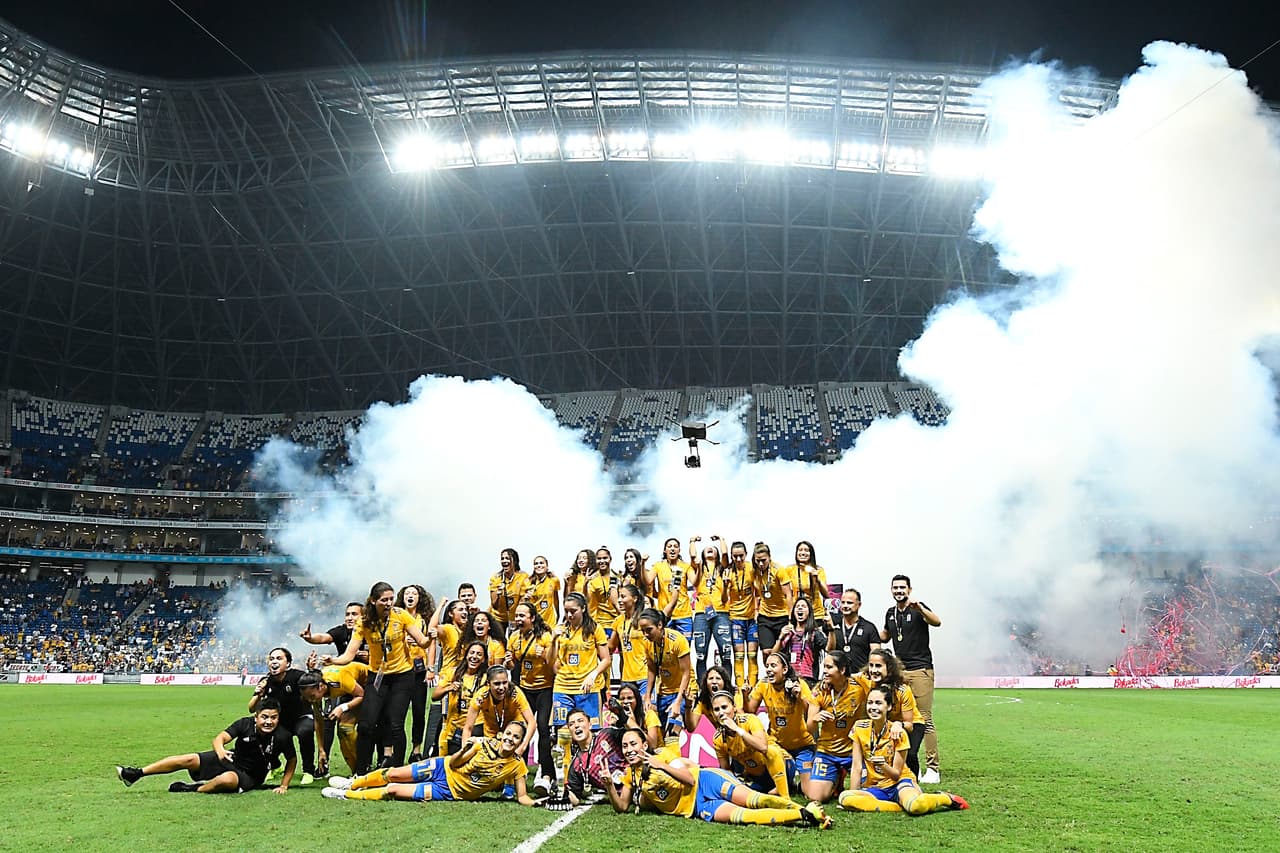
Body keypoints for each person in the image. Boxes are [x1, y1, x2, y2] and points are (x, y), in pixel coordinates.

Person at [604, 728, 831, 828]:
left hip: (706, 781)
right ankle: (804, 815)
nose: (629, 750)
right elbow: (622, 807)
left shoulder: (663, 754)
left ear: (644, 745)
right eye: (625, 746)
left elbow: (689, 779)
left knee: (754, 800)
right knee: (744, 817)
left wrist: (660, 765)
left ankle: (807, 808)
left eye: (633, 744)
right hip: (697, 807)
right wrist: (609, 787)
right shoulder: (630, 775)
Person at [323, 581, 434, 773]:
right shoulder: (364, 622)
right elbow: (349, 655)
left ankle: (397, 772)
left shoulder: (401, 615)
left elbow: (423, 642)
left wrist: (431, 637)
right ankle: (361, 772)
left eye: (391, 599)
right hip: (377, 677)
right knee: (366, 725)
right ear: (373, 601)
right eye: (384, 600)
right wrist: (333, 660)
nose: (389, 603)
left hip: (402, 676)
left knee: (396, 725)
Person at [322, 720, 540, 806]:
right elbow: (454, 764)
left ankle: (345, 795)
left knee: (393, 789)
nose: (511, 739)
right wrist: (464, 749)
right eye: (509, 734)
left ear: (521, 742)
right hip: (442, 767)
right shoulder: (482, 744)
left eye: (516, 737)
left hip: (448, 791)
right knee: (394, 774)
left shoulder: (516, 765)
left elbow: (522, 797)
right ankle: (354, 783)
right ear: (502, 734)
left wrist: (539, 802)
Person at [116, 699, 296, 794]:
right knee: (189, 759)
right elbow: (220, 738)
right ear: (256, 717)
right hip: (231, 758)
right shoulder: (244, 723)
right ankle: (136, 774)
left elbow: (292, 760)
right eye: (264, 717)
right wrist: (220, 751)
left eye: (273, 717)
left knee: (227, 780)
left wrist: (284, 785)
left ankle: (192, 788)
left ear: (278, 718)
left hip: (251, 775)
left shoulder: (283, 735)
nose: (269, 721)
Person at [837, 687, 968, 815]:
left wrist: (883, 765)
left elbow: (895, 774)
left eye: (878, 703)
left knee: (916, 806)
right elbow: (856, 767)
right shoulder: (859, 727)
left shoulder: (899, 733)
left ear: (889, 707)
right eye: (870, 703)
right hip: (877, 787)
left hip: (900, 782)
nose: (873, 707)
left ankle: (945, 798)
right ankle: (897, 806)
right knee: (845, 797)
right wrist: (853, 795)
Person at [880, 574, 942, 783]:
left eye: (902, 587)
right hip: (899, 672)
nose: (899, 591)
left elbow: (937, 622)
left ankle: (933, 768)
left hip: (920, 670)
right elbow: (885, 636)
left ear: (909, 589)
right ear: (891, 590)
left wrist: (921, 609)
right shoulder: (890, 613)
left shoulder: (917, 608)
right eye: (895, 588)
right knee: (900, 717)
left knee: (924, 718)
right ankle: (906, 763)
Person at [552, 591, 611, 781]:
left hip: (588, 689)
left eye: (573, 611)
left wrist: (593, 675)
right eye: (566, 611)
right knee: (563, 734)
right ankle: (565, 781)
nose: (569, 615)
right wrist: (553, 640)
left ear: (583, 609)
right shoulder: (561, 630)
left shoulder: (595, 629)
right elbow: (550, 662)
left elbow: (606, 659)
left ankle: (591, 777)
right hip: (563, 687)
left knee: (590, 735)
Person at [746, 651, 817, 792]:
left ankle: (798, 782)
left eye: (773, 665)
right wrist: (744, 695)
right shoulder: (763, 684)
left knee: (809, 792)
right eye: (767, 666)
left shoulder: (799, 684)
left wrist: (799, 697)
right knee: (773, 784)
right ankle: (787, 779)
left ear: (784, 669)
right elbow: (750, 711)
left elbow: (811, 712)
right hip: (777, 745)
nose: (769, 669)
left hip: (803, 745)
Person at [506, 601, 556, 794]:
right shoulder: (514, 637)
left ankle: (546, 772)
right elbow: (512, 666)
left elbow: (554, 665)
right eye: (516, 616)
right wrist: (509, 663)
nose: (518, 619)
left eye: (522, 616)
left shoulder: (545, 637)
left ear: (532, 618)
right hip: (525, 690)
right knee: (521, 728)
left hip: (545, 689)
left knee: (543, 728)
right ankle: (519, 770)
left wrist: (544, 654)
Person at [805, 650, 866, 803]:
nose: (824, 671)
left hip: (853, 752)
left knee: (868, 789)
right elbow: (809, 728)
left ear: (842, 669)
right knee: (816, 797)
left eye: (829, 667)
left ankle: (844, 772)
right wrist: (814, 719)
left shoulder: (859, 687)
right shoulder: (819, 691)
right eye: (824, 667)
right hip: (827, 751)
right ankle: (837, 776)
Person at [709, 690, 793, 798]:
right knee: (745, 793)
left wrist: (737, 729)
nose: (721, 713)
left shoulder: (750, 720)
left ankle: (785, 797)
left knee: (771, 751)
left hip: (783, 766)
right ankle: (771, 790)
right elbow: (726, 770)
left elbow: (763, 747)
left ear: (734, 707)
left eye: (724, 707)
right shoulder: (718, 739)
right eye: (716, 709)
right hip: (758, 777)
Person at [248, 647, 316, 781]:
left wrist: (311, 670)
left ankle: (308, 771)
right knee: (263, 729)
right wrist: (258, 694)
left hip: (302, 717)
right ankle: (275, 766)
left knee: (305, 731)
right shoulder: (266, 681)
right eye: (271, 659)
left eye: (279, 658)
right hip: (281, 720)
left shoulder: (297, 676)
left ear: (288, 663)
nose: (274, 661)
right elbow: (251, 709)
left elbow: (312, 685)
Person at [856, 649, 925, 775]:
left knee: (910, 754)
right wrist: (825, 684)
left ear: (889, 668)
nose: (873, 670)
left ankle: (913, 779)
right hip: (885, 723)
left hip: (911, 724)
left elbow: (909, 724)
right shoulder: (866, 680)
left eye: (878, 666)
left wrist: (898, 725)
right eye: (871, 665)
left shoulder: (902, 690)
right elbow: (843, 677)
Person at [301, 660, 368, 774]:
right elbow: (319, 721)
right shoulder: (314, 691)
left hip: (368, 684)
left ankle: (364, 766)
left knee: (347, 727)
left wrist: (342, 707)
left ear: (321, 686)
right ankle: (356, 772)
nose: (310, 700)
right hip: (350, 691)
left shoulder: (339, 679)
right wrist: (321, 750)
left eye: (312, 696)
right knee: (343, 730)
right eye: (307, 698)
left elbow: (361, 695)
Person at [396, 584, 437, 763]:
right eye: (407, 593)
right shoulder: (396, 616)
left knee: (419, 712)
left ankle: (416, 749)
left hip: (419, 671)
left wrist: (430, 668)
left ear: (420, 598)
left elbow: (431, 644)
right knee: (398, 712)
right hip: (400, 669)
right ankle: (395, 750)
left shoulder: (424, 619)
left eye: (414, 593)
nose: (410, 596)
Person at [462, 665, 536, 761]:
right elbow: (468, 728)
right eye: (497, 684)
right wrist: (464, 752)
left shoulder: (516, 693)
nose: (501, 687)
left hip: (513, 734)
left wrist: (523, 746)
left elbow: (532, 722)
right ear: (488, 684)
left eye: (504, 683)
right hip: (491, 734)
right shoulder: (480, 697)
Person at [638, 607, 691, 739]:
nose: (646, 634)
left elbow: (687, 673)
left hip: (683, 690)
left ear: (660, 625)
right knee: (661, 734)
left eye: (649, 630)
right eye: (643, 631)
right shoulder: (647, 643)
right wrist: (647, 696)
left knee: (672, 732)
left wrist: (678, 701)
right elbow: (651, 670)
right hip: (664, 691)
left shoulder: (677, 640)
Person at [690, 535, 734, 684]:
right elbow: (693, 557)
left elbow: (725, 554)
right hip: (701, 614)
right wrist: (692, 542)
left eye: (713, 549)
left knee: (725, 653)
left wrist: (721, 539)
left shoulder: (722, 568)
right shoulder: (698, 568)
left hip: (721, 613)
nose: (710, 549)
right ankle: (703, 687)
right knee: (701, 654)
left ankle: (726, 686)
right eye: (707, 549)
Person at [435, 641, 489, 755]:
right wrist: (448, 688)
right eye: (472, 653)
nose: (474, 656)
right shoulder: (453, 673)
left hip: (475, 728)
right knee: (448, 762)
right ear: (466, 655)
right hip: (453, 728)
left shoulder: (487, 678)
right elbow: (435, 696)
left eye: (479, 654)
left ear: (484, 659)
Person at [769, 597, 828, 688]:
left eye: (803, 606)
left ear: (809, 612)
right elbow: (773, 656)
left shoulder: (814, 633)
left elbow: (829, 649)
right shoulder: (788, 633)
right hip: (789, 679)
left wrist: (831, 629)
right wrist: (781, 637)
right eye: (797, 606)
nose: (800, 608)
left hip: (809, 680)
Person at [723, 540, 759, 686]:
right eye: (735, 556)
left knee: (752, 656)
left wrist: (757, 611)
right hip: (736, 619)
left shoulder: (752, 569)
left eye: (741, 556)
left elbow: (758, 593)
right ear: (731, 556)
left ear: (746, 554)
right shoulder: (728, 572)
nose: (738, 559)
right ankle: (739, 689)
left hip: (751, 620)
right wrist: (725, 586)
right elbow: (723, 599)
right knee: (738, 656)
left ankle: (753, 688)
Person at [646, 537, 695, 641]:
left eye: (675, 547)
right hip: (665, 614)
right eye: (669, 546)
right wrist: (642, 563)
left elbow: (695, 582)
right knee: (665, 646)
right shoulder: (658, 566)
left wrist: (698, 566)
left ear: (679, 550)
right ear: (665, 550)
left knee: (685, 646)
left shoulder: (686, 566)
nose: (672, 549)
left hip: (684, 614)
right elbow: (648, 580)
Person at [752, 543, 794, 655]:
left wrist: (791, 619)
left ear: (769, 557)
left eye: (763, 560)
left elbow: (788, 594)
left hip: (782, 615)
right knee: (766, 651)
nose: (761, 564)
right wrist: (756, 611)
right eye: (758, 561)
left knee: (782, 651)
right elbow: (756, 594)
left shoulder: (779, 570)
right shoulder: (754, 571)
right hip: (765, 616)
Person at [609, 583, 650, 698]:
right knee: (628, 709)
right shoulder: (618, 621)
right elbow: (610, 647)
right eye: (619, 597)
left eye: (623, 597)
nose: (620, 600)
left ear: (635, 599)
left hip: (645, 675)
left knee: (647, 707)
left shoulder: (644, 619)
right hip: (626, 677)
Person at [827, 588, 880, 673]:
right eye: (843, 602)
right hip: (839, 676)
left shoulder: (869, 627)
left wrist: (865, 673)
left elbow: (876, 657)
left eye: (849, 603)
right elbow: (829, 651)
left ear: (859, 605)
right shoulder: (834, 625)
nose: (845, 606)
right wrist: (831, 630)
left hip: (861, 676)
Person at [684, 664, 742, 732]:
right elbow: (691, 728)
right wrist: (688, 705)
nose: (714, 682)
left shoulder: (735, 695)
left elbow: (743, 720)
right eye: (711, 678)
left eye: (718, 678)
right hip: (722, 736)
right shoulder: (703, 702)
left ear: (724, 682)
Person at [489, 547, 530, 638]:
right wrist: (498, 595)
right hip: (498, 617)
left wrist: (517, 617)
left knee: (514, 641)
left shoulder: (523, 576)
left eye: (507, 558)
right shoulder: (496, 578)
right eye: (502, 558)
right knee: (498, 641)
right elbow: (494, 605)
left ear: (514, 561)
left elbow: (523, 601)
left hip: (514, 617)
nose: (504, 561)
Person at [608, 682, 662, 750]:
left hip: (656, 753)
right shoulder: (618, 717)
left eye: (629, 698)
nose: (626, 701)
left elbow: (652, 745)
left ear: (637, 699)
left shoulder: (649, 714)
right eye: (622, 699)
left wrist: (630, 722)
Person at [790, 541, 829, 617]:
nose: (803, 553)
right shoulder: (790, 569)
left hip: (816, 614)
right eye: (800, 550)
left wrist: (817, 579)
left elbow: (826, 595)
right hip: (798, 614)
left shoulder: (819, 570)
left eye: (806, 550)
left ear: (811, 554)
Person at [587, 546, 620, 635]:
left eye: (605, 558)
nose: (602, 561)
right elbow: (588, 601)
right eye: (599, 558)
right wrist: (585, 584)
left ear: (610, 559)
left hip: (617, 621)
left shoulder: (617, 576)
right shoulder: (593, 579)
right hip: (600, 623)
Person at [523, 554, 561, 625]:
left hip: (550, 621)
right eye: (536, 564)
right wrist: (526, 599)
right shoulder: (527, 582)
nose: (539, 565)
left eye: (541, 563)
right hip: (535, 621)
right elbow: (523, 604)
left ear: (547, 566)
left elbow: (556, 599)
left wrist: (558, 614)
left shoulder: (554, 580)